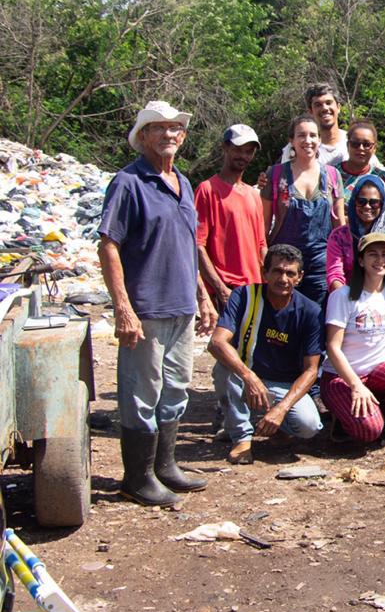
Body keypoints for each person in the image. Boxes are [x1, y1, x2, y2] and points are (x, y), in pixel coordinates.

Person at [99, 100, 217, 507]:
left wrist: (202, 295)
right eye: (159, 128)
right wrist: (123, 308)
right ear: (143, 136)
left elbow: (188, 246)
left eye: (175, 129)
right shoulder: (129, 182)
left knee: (175, 390)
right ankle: (137, 477)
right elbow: (109, 245)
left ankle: (164, 466)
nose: (168, 134)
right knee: (141, 394)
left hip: (181, 307)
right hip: (146, 309)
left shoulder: (183, 183)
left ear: (182, 138)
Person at [208, 244, 324, 464]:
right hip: (247, 378)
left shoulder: (310, 311)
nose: (283, 279)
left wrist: (282, 408)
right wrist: (249, 377)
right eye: (277, 271)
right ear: (265, 272)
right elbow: (216, 343)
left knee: (309, 426)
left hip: (283, 385)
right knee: (223, 367)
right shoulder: (244, 296)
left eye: (290, 273)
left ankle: (277, 427)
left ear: (299, 277)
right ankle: (241, 437)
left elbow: (311, 370)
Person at [321, 233, 385, 444]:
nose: (380, 260)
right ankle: (344, 418)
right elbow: (333, 347)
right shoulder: (343, 296)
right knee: (368, 432)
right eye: (373, 254)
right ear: (360, 260)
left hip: (376, 374)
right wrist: (356, 385)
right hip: (341, 378)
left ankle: (382, 419)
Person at [263, 115, 346, 306]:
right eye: (301, 135)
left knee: (317, 318)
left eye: (312, 135)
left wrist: (342, 264)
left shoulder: (333, 176)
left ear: (319, 140)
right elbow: (263, 226)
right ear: (291, 140)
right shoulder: (275, 174)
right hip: (283, 263)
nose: (307, 141)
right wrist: (264, 262)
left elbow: (339, 226)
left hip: (321, 263)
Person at [196, 124, 267, 313]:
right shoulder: (208, 190)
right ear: (225, 148)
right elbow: (198, 245)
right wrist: (220, 289)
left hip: (254, 289)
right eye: (237, 149)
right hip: (225, 289)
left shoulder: (253, 194)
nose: (243, 156)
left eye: (248, 151)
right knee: (222, 343)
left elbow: (261, 245)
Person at [326, 174, 385, 293]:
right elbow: (334, 274)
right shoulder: (339, 236)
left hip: (382, 300)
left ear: (383, 205)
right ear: (353, 202)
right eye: (361, 201)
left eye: (374, 202)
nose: (367, 207)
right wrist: (346, 301)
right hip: (345, 298)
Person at [279, 83, 351, 166]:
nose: (324, 108)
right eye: (318, 105)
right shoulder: (298, 147)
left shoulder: (355, 143)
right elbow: (284, 177)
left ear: (338, 107)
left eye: (328, 103)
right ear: (310, 111)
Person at [337, 119, 385, 201]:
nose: (361, 148)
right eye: (355, 144)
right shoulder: (332, 175)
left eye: (366, 144)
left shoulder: (382, 178)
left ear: (374, 148)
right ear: (348, 145)